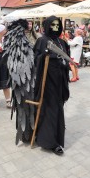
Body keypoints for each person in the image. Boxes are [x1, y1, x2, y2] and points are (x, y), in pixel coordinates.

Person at [33, 16, 70, 155]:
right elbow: (35, 59)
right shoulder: (42, 40)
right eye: (52, 25)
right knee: (50, 110)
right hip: (47, 83)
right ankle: (50, 142)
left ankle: (58, 138)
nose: (55, 27)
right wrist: (44, 55)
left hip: (60, 82)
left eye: (57, 24)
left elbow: (67, 58)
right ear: (47, 25)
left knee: (58, 110)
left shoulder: (62, 42)